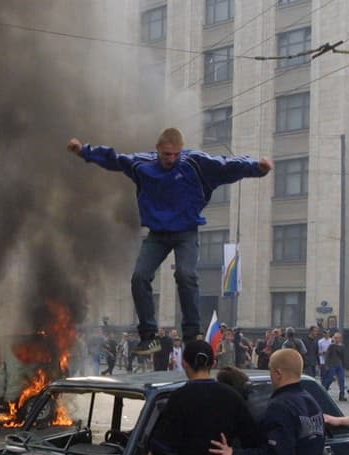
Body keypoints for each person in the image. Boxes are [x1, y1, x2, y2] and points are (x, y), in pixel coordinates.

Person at [68, 129, 271, 353]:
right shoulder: (142, 164)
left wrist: (257, 168)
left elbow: (228, 165)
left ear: (181, 151)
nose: (171, 160)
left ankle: (191, 333)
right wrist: (83, 151)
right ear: (158, 150)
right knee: (139, 277)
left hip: (186, 232)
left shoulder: (195, 163)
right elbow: (114, 159)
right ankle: (149, 336)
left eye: (176, 154)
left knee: (185, 274)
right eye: (166, 154)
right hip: (157, 235)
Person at [322, 332, 347, 401]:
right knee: (330, 378)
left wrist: (344, 365)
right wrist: (326, 365)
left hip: (339, 365)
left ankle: (342, 394)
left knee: (341, 379)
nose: (337, 339)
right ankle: (324, 391)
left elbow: (343, 356)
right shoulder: (331, 346)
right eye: (335, 338)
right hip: (332, 365)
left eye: (338, 338)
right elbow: (327, 356)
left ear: (341, 339)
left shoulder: (342, 346)